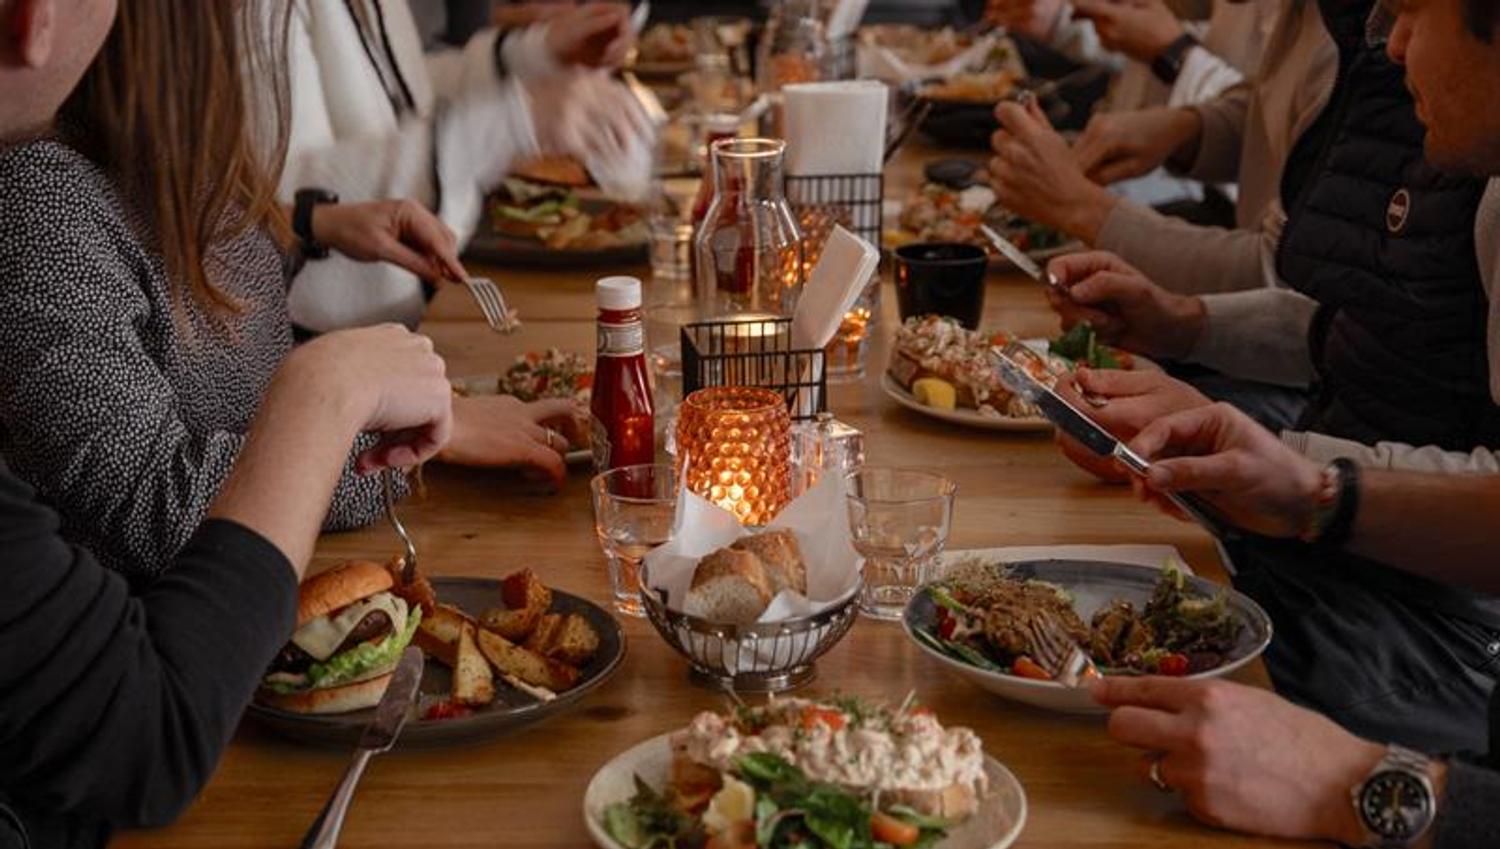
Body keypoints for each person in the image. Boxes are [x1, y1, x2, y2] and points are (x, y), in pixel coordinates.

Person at [0, 0, 580, 582]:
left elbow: (194, 266)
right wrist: (412, 447)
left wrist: (310, 226)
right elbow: (157, 507)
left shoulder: (156, 150)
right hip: (207, 633)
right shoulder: (37, 201)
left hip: (273, 583)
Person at [280, 0, 650, 332]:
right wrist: (514, 119)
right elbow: (281, 200)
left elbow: (405, 92)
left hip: (402, 327)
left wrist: (536, 52)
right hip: (319, 361)